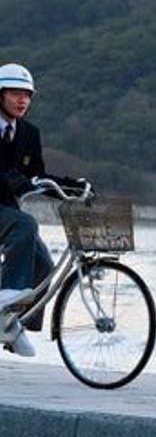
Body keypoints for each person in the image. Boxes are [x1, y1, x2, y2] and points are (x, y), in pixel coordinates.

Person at [0, 64, 86, 357]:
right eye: (14, 93)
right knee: (24, 225)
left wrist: (72, 186)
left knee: (43, 267)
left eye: (27, 95)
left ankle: (12, 324)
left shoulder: (28, 133)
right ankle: (7, 295)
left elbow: (37, 175)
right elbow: (9, 174)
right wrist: (18, 182)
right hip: (8, 213)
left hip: (6, 209)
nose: (22, 100)